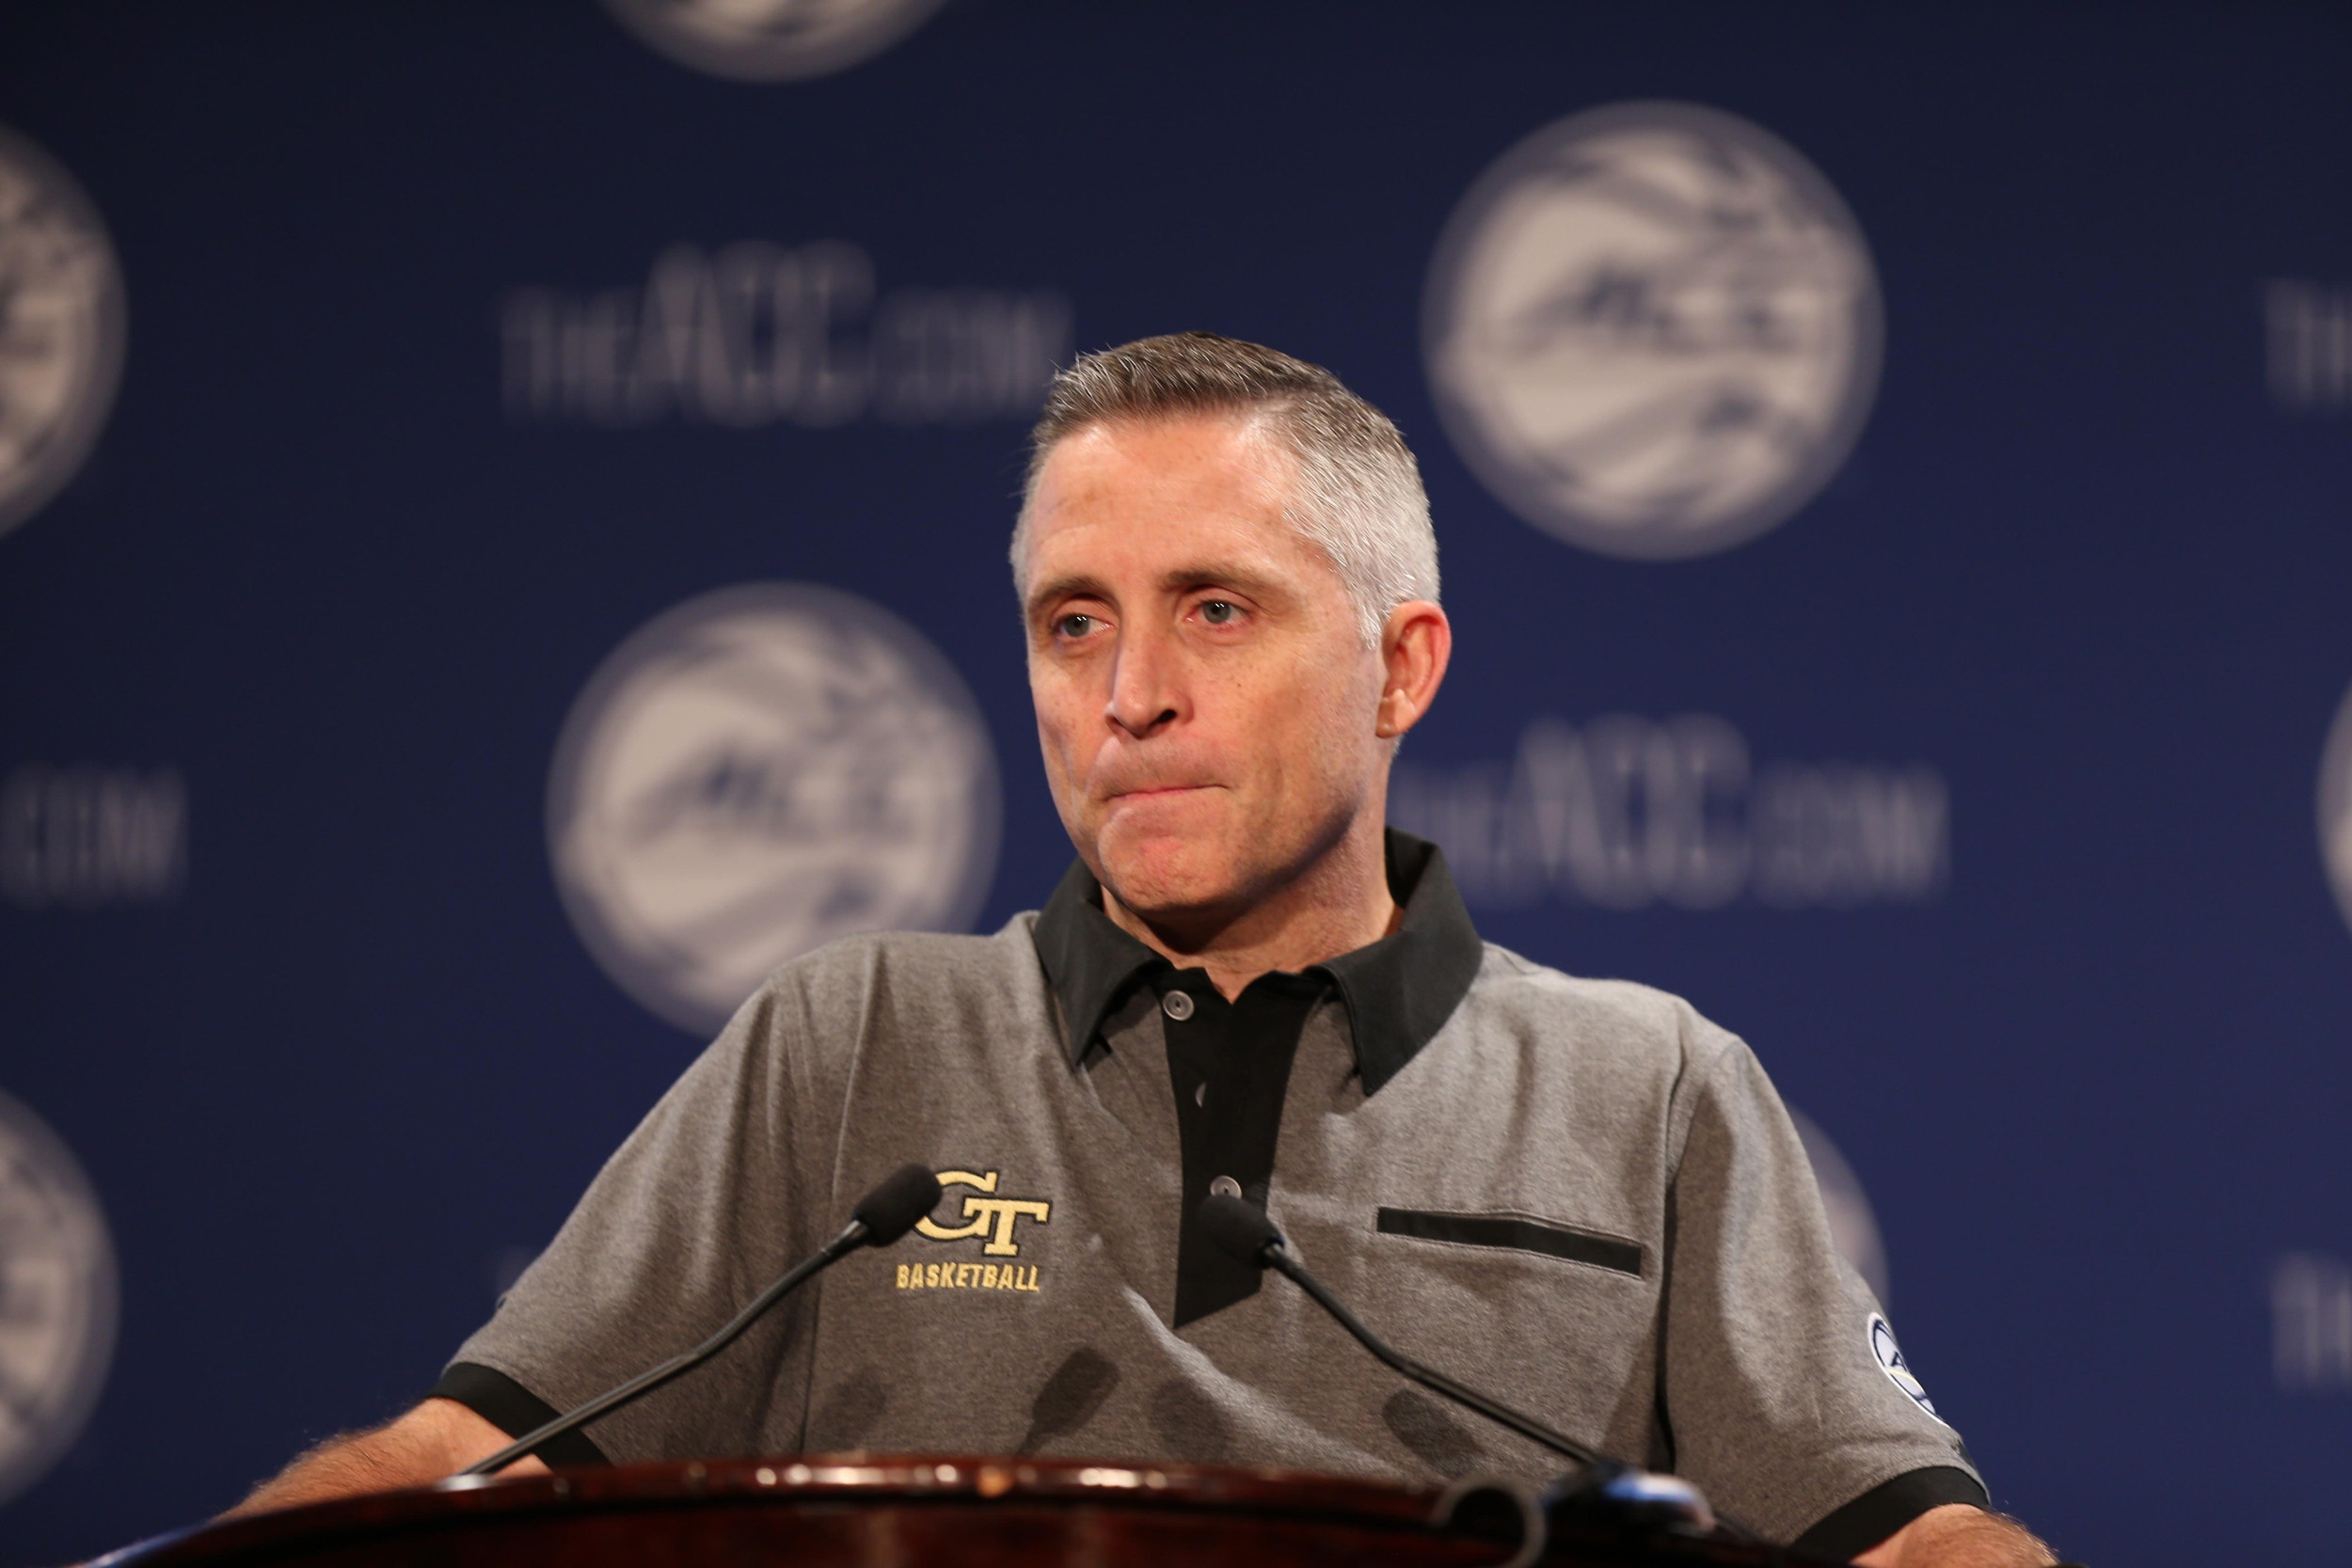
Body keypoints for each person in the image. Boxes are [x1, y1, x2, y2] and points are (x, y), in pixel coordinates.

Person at [229, 334, 2054, 1565]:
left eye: (1214, 611)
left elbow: (1898, 1533)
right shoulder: (852, 1041)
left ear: (1400, 666)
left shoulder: (1644, 1088)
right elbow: (472, 1463)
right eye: (1071, 621)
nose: (1129, 699)